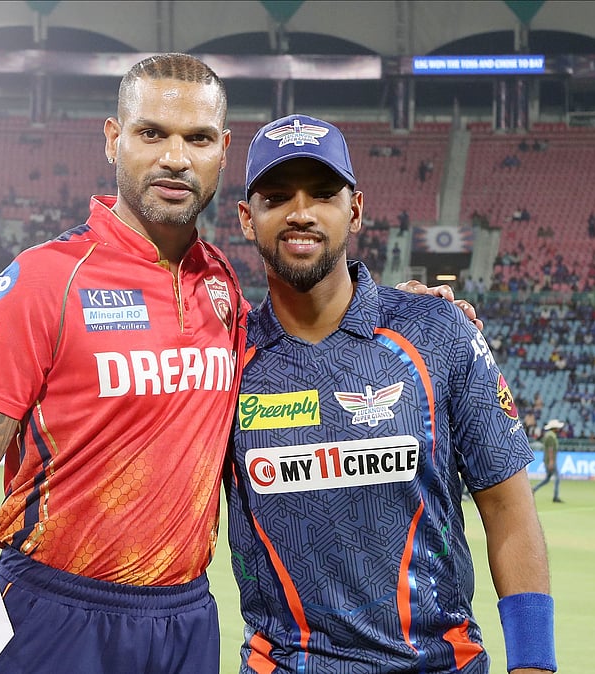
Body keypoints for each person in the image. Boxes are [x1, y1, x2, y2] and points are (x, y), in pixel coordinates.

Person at [0, 54, 482, 674]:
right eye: (151, 133)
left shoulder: (221, 291)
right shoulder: (42, 280)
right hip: (50, 605)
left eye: (196, 138)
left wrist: (405, 310)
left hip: (187, 619)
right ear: (113, 140)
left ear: (222, 150)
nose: (174, 157)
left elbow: (315, 331)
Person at [227, 114, 555, 674]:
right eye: (277, 196)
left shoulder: (441, 332)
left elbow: (508, 508)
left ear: (355, 209)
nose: (301, 213)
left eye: (323, 194)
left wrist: (534, 664)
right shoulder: (223, 360)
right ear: (246, 219)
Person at [533, 419, 564, 503]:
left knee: (547, 479)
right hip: (550, 460)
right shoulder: (551, 436)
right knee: (557, 478)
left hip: (548, 460)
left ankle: (534, 489)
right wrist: (551, 461)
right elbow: (550, 449)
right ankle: (555, 496)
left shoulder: (549, 435)